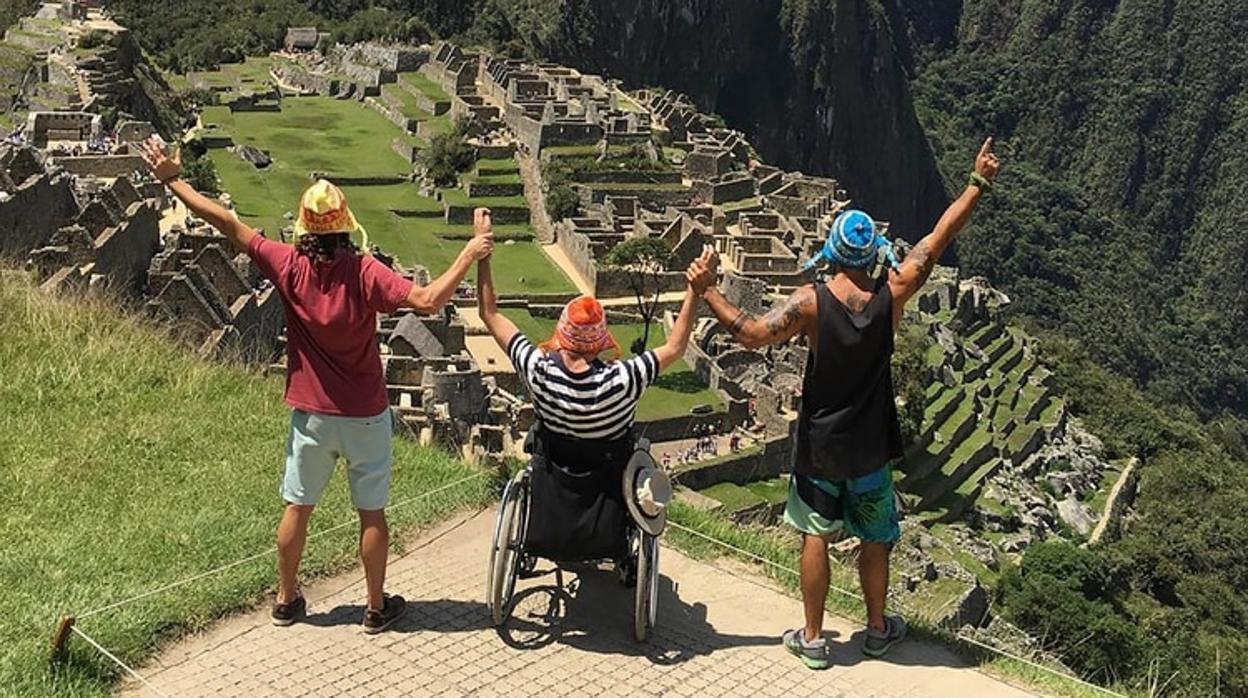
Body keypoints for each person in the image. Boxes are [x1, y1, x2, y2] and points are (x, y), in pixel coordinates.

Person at [138, 138, 494, 633]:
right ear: (345, 223)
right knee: (371, 514)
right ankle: (374, 608)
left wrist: (172, 179)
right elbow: (429, 300)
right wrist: (470, 252)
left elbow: (224, 221)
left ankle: (285, 600)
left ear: (304, 227)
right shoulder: (365, 272)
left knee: (297, 507)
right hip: (365, 413)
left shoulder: (288, 265)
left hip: (311, 414)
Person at [688, 138, 1000, 668]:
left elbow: (754, 334)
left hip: (820, 446)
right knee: (876, 537)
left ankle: (813, 637)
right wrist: (978, 183)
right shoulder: (892, 294)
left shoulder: (809, 304)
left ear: (831, 250)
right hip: (871, 445)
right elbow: (937, 240)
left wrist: (707, 289)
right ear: (873, 252)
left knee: (815, 534)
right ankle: (877, 629)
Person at [475, 207, 711, 561]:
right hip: (608, 479)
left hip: (553, 470)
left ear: (561, 334)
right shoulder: (623, 380)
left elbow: (489, 313)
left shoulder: (538, 370)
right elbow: (676, 347)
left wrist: (482, 249)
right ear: (601, 341)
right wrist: (695, 289)